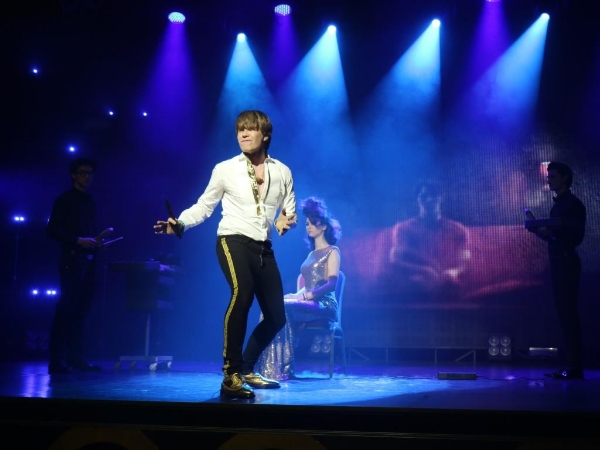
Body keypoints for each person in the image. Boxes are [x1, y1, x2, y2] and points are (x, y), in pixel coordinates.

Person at [154, 110, 297, 399]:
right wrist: (181, 223)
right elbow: (204, 205)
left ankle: (247, 368)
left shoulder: (282, 171)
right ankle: (230, 375)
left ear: (265, 135)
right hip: (232, 240)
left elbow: (289, 209)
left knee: (276, 317)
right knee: (242, 294)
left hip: (263, 247)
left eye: (250, 129)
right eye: (240, 130)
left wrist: (286, 220)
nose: (243, 134)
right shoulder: (225, 169)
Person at [256, 196, 342, 381]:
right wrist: (295, 295)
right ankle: (272, 368)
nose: (308, 226)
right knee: (272, 307)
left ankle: (283, 367)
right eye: (307, 223)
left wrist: (306, 296)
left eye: (313, 222)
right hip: (309, 300)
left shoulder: (333, 251)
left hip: (325, 304)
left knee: (283, 307)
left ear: (323, 226)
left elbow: (331, 284)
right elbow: (308, 285)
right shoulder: (311, 254)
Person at [46, 157, 108, 374]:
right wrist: (78, 241)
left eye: (90, 173)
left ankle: (75, 357)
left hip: (88, 261)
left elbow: (89, 231)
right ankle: (56, 360)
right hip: (72, 260)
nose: (87, 177)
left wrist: (96, 243)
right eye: (83, 173)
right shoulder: (64, 200)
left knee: (82, 311)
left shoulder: (90, 201)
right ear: (73, 175)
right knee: (66, 309)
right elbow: (52, 230)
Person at [525, 162, 586, 380]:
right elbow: (553, 237)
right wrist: (538, 230)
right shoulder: (559, 205)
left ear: (565, 178)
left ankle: (574, 366)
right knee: (564, 314)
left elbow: (574, 236)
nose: (549, 180)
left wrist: (552, 230)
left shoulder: (573, 204)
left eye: (553, 176)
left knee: (568, 314)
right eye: (548, 176)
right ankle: (570, 365)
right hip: (559, 262)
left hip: (567, 262)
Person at [388, 180, 471, 302]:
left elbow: (465, 260)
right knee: (418, 284)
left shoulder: (458, 229)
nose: (429, 200)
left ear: (441, 198)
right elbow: (395, 258)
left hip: (447, 282)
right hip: (418, 283)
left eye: (434, 195)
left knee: (450, 285)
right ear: (418, 200)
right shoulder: (404, 228)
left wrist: (454, 272)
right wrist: (424, 271)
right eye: (424, 196)